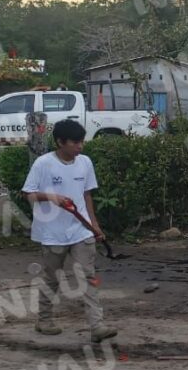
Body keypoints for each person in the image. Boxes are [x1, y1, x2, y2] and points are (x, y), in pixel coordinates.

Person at [22, 119, 117, 342]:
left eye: (82, 141)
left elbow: (86, 195)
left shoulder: (85, 162)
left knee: (88, 275)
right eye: (75, 142)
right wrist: (52, 197)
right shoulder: (43, 164)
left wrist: (94, 225)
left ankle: (97, 326)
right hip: (52, 233)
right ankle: (44, 320)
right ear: (60, 142)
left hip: (80, 230)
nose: (80, 146)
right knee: (52, 278)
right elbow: (28, 194)